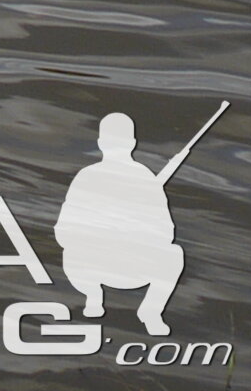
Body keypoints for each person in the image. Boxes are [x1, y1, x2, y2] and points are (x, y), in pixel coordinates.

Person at [57, 113, 191, 335]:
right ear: (132, 143)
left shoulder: (90, 176)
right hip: (111, 264)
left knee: (173, 253)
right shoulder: (93, 177)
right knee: (173, 254)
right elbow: (166, 233)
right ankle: (94, 296)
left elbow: (64, 230)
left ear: (101, 143)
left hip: (114, 265)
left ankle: (147, 311)